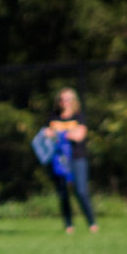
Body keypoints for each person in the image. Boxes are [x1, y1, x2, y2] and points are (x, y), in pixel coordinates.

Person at [43, 86, 97, 233]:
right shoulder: (53, 117)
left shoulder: (78, 116)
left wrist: (59, 133)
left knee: (81, 191)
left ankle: (92, 223)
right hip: (59, 160)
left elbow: (79, 136)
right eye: (61, 99)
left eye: (67, 99)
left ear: (73, 101)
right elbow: (46, 134)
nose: (63, 102)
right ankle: (69, 225)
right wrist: (64, 133)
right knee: (63, 192)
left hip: (77, 158)